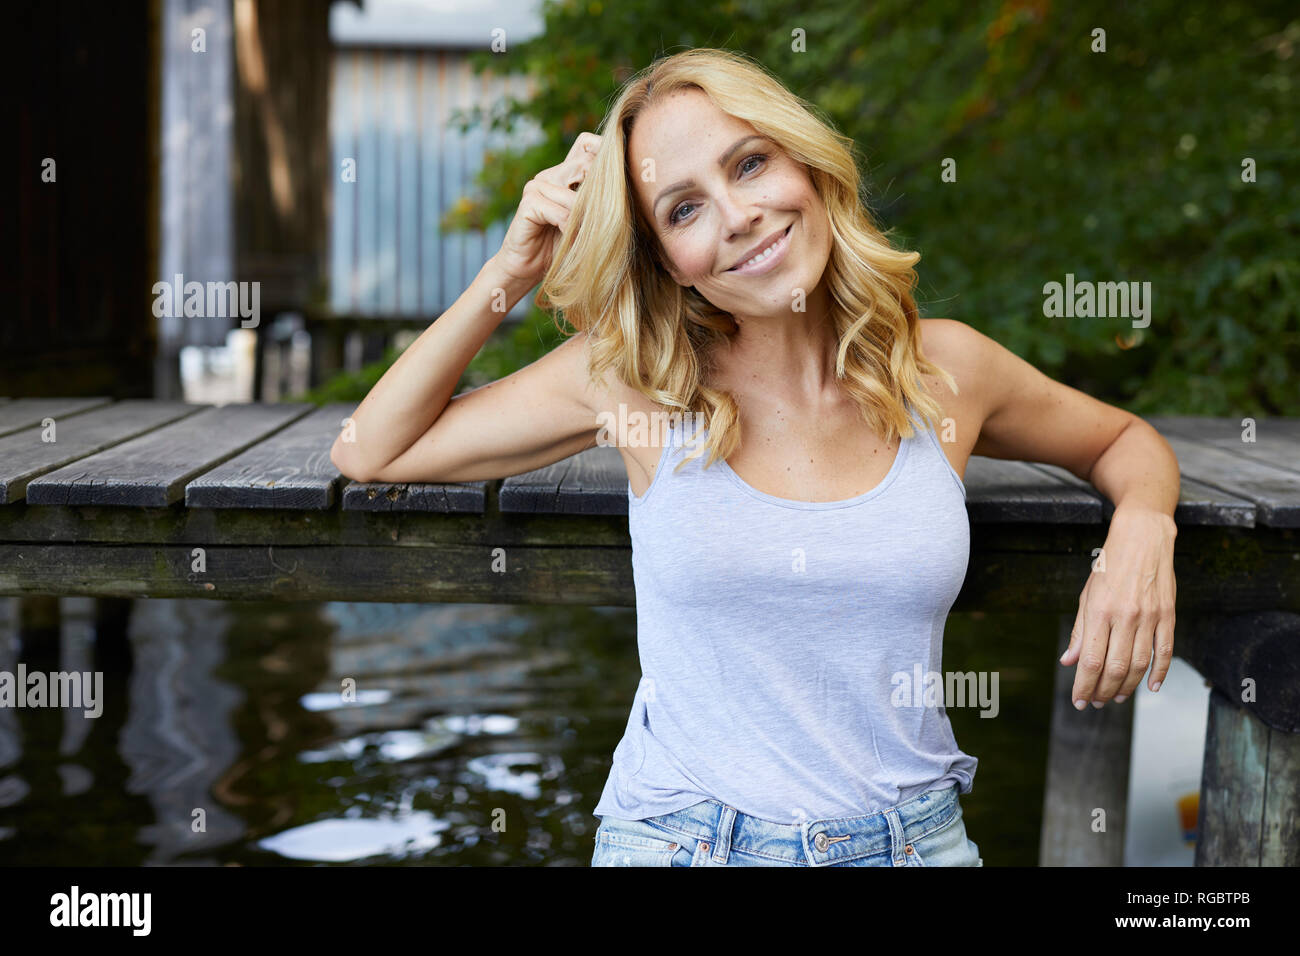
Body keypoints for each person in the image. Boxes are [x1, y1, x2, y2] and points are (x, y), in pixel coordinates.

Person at [331, 48, 1180, 867]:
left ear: (806, 165)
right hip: (682, 840)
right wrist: (509, 272)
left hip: (912, 842)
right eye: (684, 209)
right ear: (668, 260)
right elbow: (371, 448)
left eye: (748, 165)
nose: (737, 218)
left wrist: (1142, 528)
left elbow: (1121, 440)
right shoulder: (632, 384)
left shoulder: (943, 374)